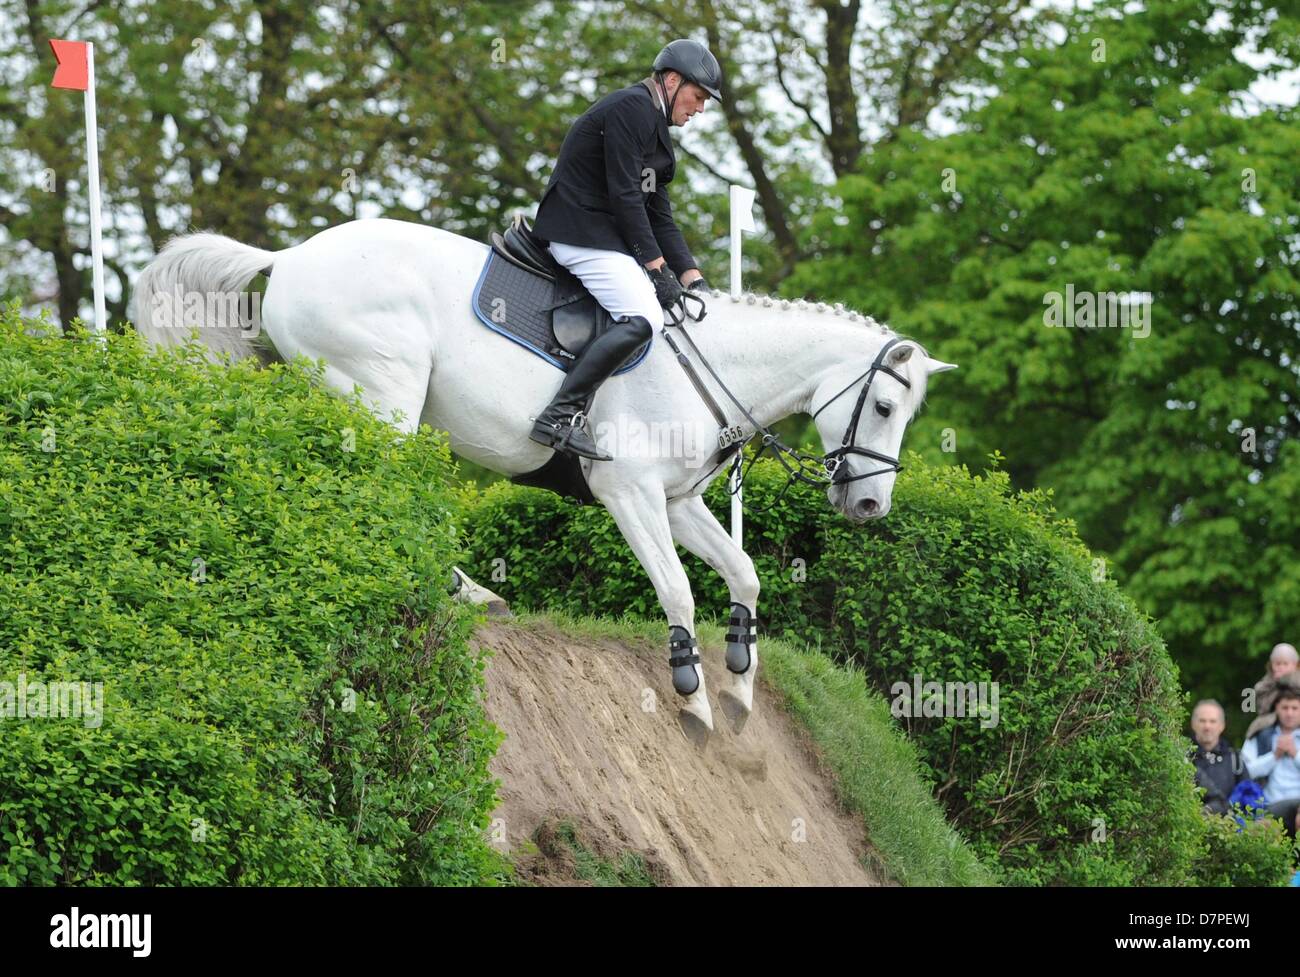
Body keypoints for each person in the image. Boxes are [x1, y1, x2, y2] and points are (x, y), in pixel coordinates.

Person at [529, 38, 722, 461]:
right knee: (644, 317)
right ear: (672, 80)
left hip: (604, 236)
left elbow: (658, 214)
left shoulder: (654, 133)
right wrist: (657, 270)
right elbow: (625, 195)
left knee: (667, 310)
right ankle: (560, 415)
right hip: (578, 230)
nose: (700, 108)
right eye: (698, 96)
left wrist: (693, 278)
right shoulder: (629, 109)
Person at [1241, 687, 1300, 837]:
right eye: (1285, 708)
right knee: (1259, 830)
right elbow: (1245, 770)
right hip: (1270, 805)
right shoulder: (1261, 736)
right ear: (1276, 710)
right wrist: (1275, 756)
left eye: (1295, 708)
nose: (1289, 713)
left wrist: (1295, 754)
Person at [1188, 699, 1248, 816]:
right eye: (1202, 721)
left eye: (1212, 721)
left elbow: (1248, 796)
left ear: (1222, 726)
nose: (1207, 726)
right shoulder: (1183, 758)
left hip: (1230, 829)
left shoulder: (1234, 759)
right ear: (1193, 724)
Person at [1243, 642, 1299, 741]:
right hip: (1271, 722)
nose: (1281, 667)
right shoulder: (1266, 683)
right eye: (1278, 664)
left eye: (1285, 664)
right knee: (1263, 735)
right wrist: (1274, 683)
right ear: (1271, 665)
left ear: (1295, 665)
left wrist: (1284, 680)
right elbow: (1262, 708)